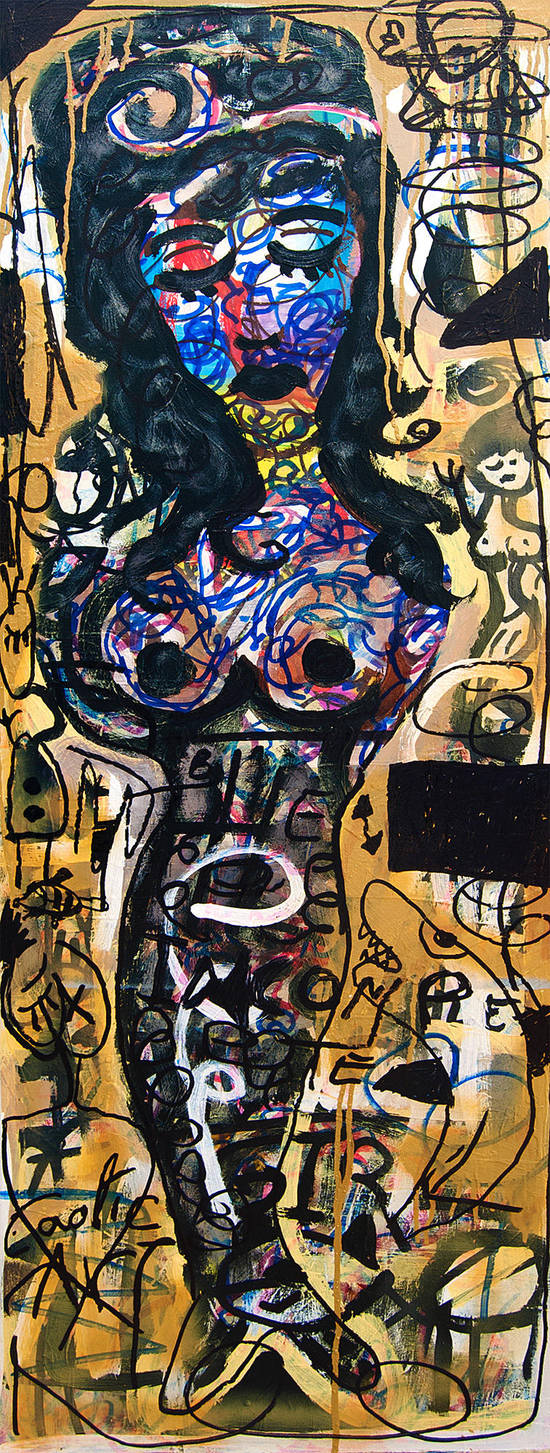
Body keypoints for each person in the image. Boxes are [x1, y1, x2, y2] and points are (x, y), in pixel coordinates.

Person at [31, 8, 453, 1430]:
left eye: (303, 245)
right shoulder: (114, 521)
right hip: (170, 945)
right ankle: (234, 1268)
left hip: (334, 955)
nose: (259, 311)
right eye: (192, 260)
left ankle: (259, 1267)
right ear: (129, 293)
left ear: (365, 251)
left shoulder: (403, 542)